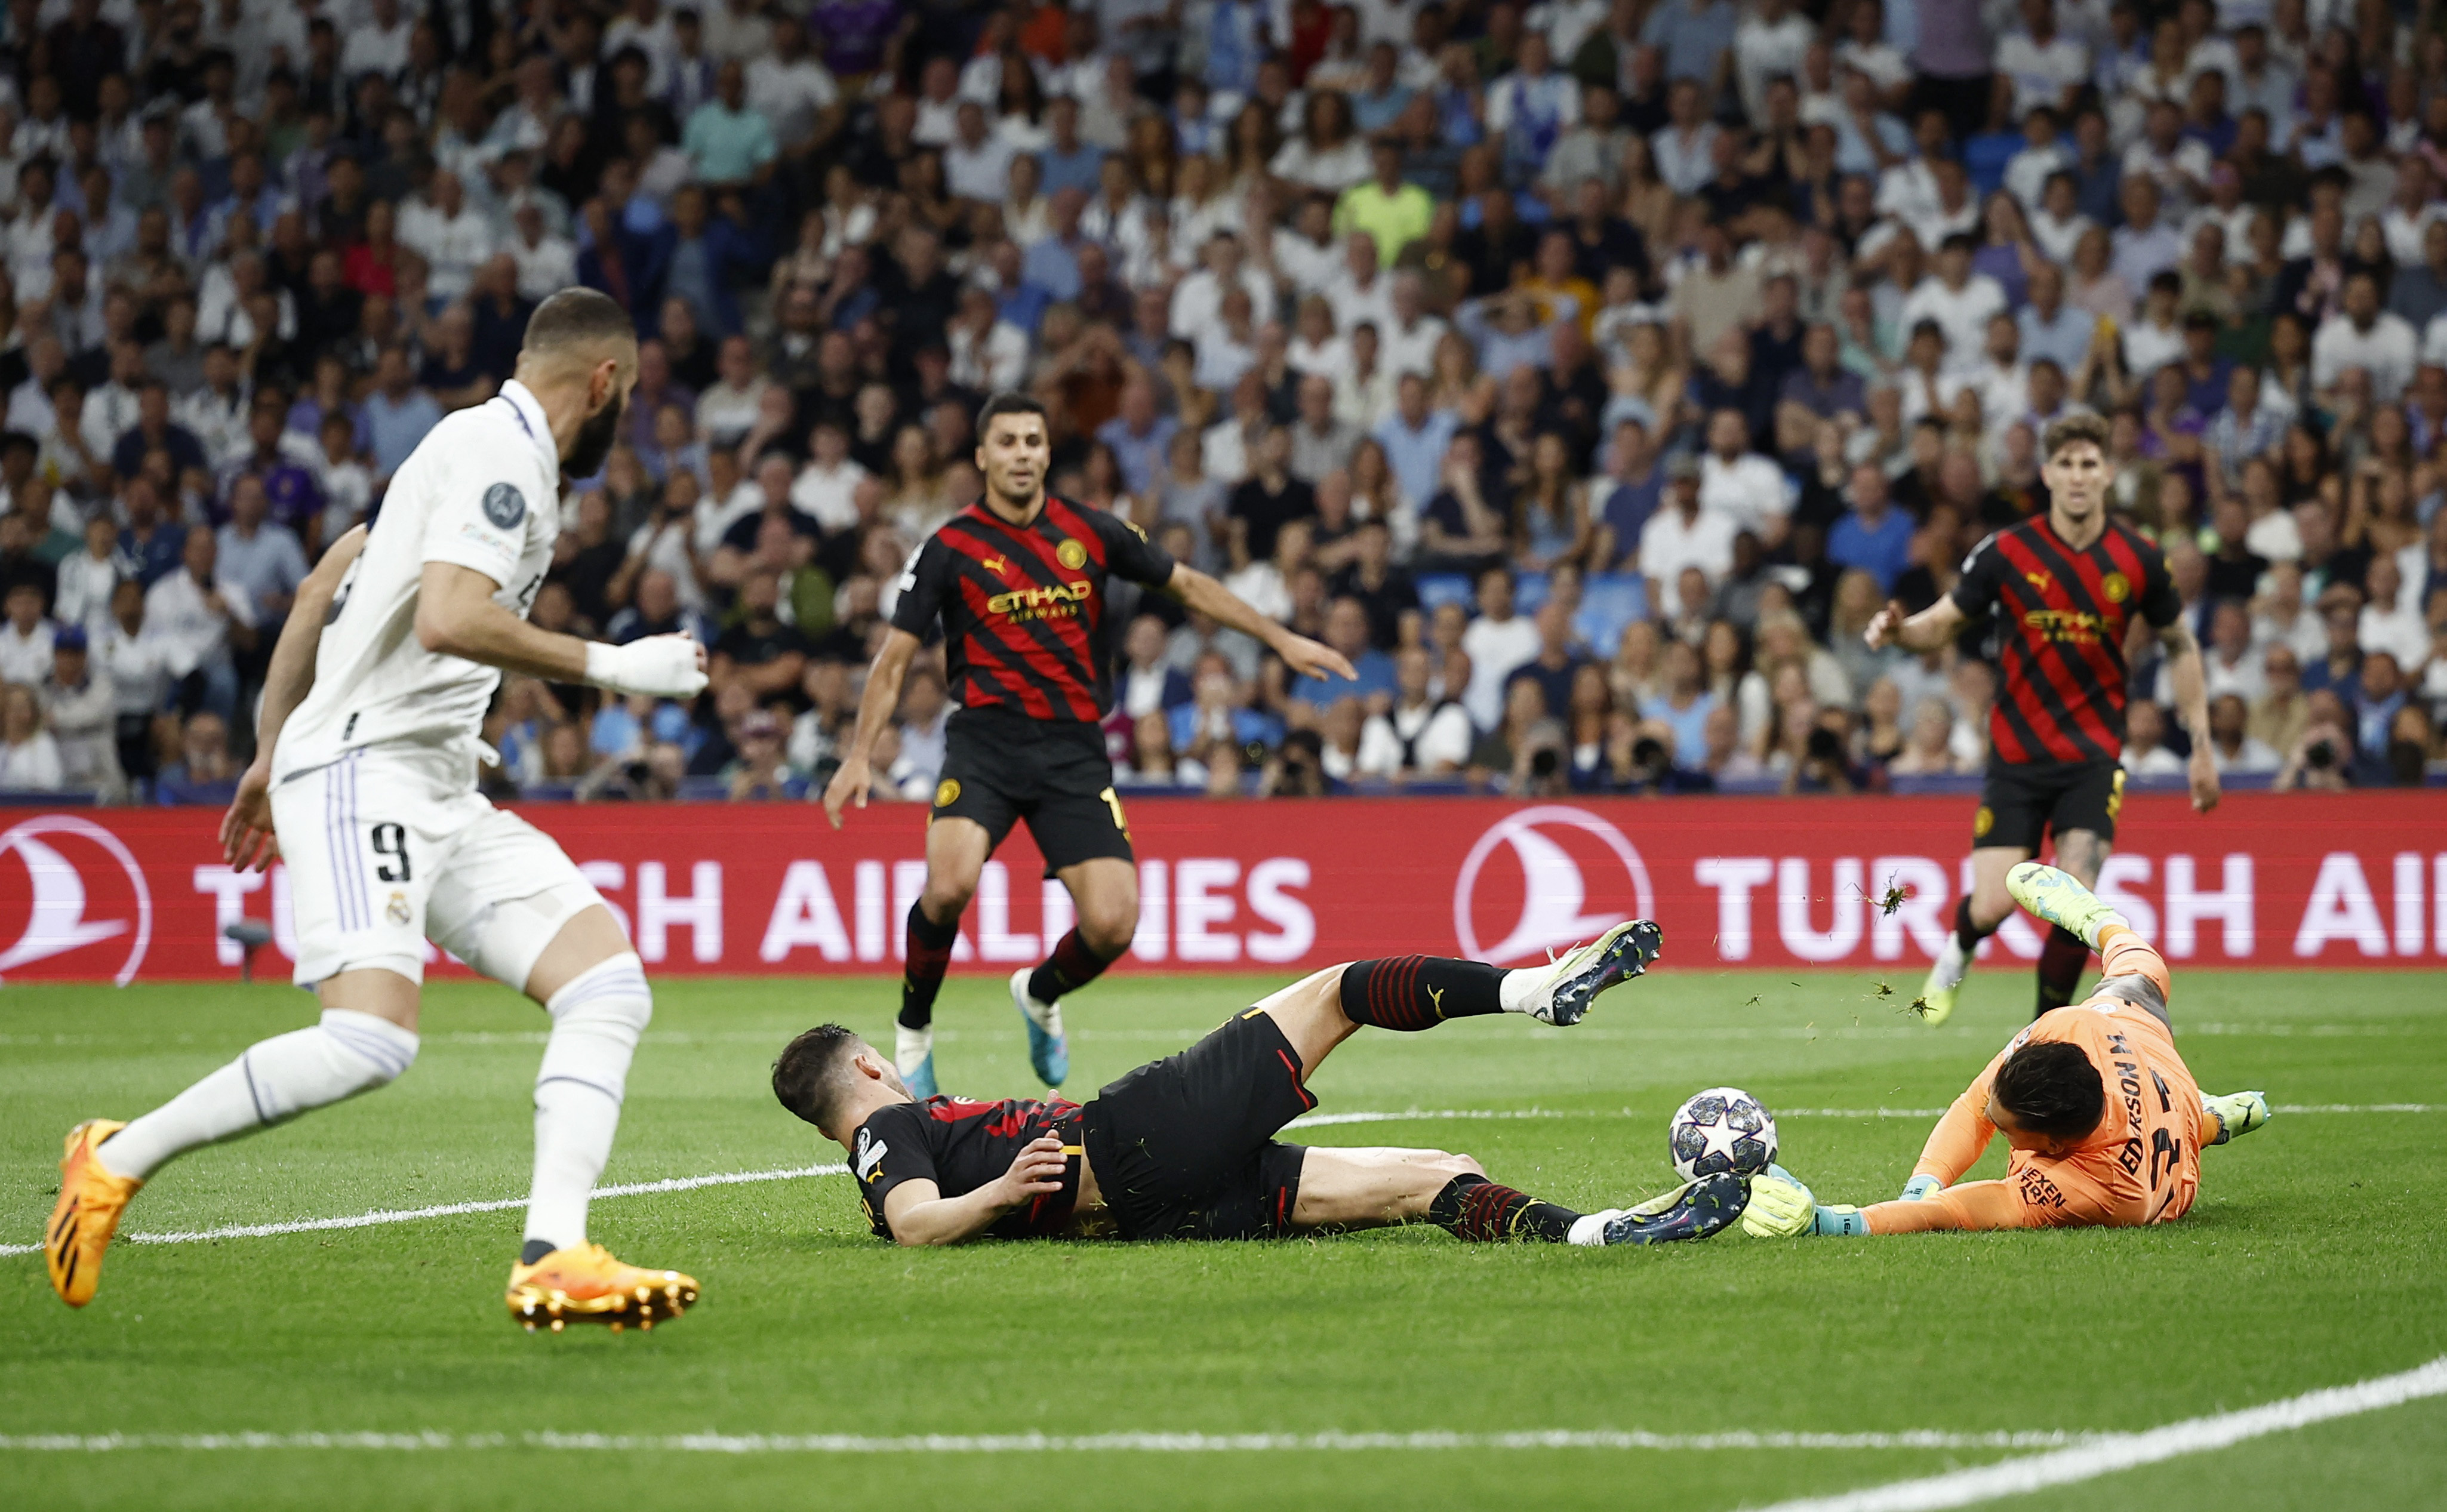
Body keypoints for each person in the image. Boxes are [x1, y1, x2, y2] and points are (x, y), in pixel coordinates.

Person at [46, 291, 713, 1332]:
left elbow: (319, 590)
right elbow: (450, 618)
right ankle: (111, 1157)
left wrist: (270, 752)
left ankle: (552, 1252)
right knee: (369, 1040)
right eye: (624, 395)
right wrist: (616, 665)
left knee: (606, 984)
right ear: (606, 383)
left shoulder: (459, 456)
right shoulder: (498, 455)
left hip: (432, 778)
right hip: (371, 773)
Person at [821, 394, 1354, 1100]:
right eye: (1006, 441)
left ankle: (1039, 992)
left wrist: (1280, 637)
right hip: (985, 741)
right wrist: (859, 752)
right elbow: (894, 657)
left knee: (1112, 923)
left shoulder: (1092, 532)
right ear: (982, 456)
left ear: (1046, 453)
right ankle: (914, 1032)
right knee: (948, 887)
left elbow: (1187, 584)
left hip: (1073, 749)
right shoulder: (950, 547)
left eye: (1033, 441)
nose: (1021, 453)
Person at [772, 919, 1751, 1248]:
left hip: (1159, 1202)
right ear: (864, 1068)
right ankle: (1533, 987)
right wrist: (996, 1189)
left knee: (1433, 1174)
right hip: (1135, 1138)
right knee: (1336, 990)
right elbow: (911, 1219)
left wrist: (998, 1191)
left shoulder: (900, 1134)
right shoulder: (884, 1133)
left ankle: (1599, 1231)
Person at [1865, 413, 2217, 1024]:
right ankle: (1956, 952)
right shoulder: (2007, 551)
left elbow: (2180, 643)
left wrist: (2203, 746)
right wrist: (1898, 633)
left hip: (2091, 755)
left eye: (2089, 464)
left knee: (2074, 894)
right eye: (2067, 464)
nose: (2078, 476)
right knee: (1993, 905)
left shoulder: (2137, 557)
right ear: (2048, 473)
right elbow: (1942, 622)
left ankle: (2045, 1030)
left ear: (2106, 473)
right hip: (2017, 756)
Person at [1745, 863, 2270, 1237]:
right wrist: (1920, 1183)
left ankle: (2210, 1122)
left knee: (2182, 1123)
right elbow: (1974, 1105)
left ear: (2054, 1148)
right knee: (2143, 971)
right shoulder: (2067, 1027)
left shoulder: (2093, 1192)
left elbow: (1954, 1212)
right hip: (2140, 1046)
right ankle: (2098, 919)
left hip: (2165, 1165)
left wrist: (1834, 1222)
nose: (1992, 1121)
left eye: (2008, 1128)